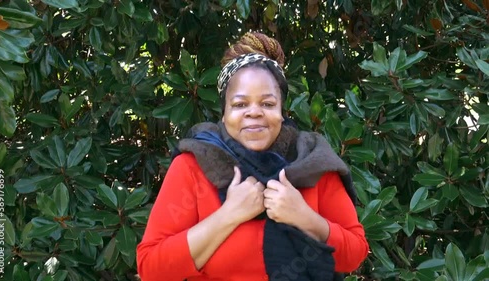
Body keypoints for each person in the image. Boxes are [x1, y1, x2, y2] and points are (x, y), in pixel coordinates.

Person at [136, 32, 368, 281]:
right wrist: (229, 214)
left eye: (267, 104)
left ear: (282, 111)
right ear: (224, 114)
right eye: (240, 104)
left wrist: (304, 216)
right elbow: (151, 268)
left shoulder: (312, 163)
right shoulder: (195, 165)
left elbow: (354, 254)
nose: (254, 113)